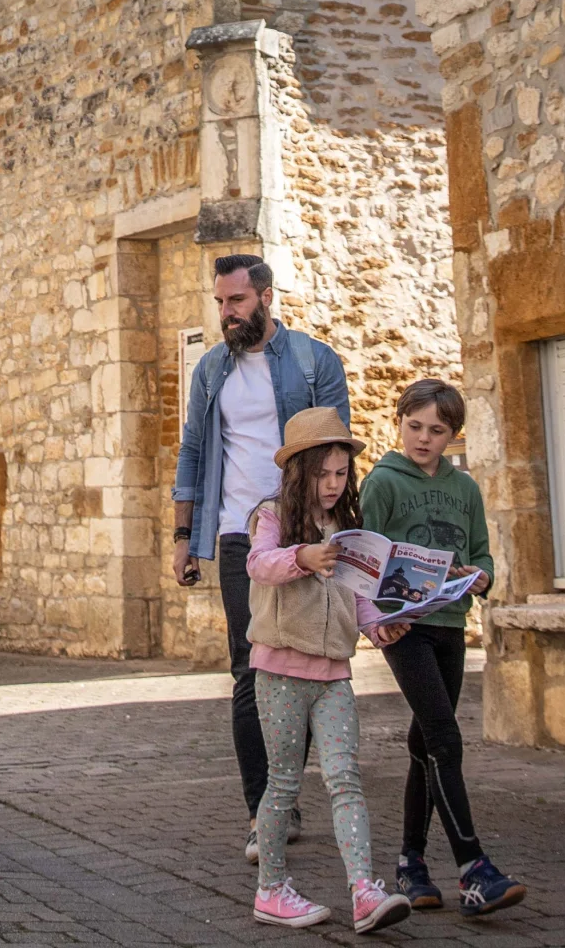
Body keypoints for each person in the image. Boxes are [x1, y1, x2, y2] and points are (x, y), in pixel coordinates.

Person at [171, 253, 351, 862]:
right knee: (249, 671)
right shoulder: (210, 370)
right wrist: (182, 537)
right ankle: (264, 809)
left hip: (298, 535)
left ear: (266, 298)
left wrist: (334, 535)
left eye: (236, 302)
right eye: (220, 302)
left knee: (297, 667)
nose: (225, 314)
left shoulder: (313, 360)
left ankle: (284, 795)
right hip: (235, 536)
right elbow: (193, 451)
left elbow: (335, 452)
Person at [243, 407, 414, 933]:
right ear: (300, 470)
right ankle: (271, 890)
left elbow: (356, 595)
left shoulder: (346, 526)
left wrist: (378, 627)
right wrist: (303, 557)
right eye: (323, 474)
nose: (334, 484)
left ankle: (364, 890)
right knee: (284, 784)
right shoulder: (271, 516)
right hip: (280, 672)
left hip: (335, 675)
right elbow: (258, 565)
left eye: (342, 474)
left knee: (345, 778)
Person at [361, 379, 528, 916]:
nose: (423, 439)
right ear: (399, 423)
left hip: (452, 622)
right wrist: (379, 614)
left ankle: (411, 865)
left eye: (437, 430)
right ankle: (473, 869)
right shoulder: (383, 483)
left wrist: (481, 577)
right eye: (415, 427)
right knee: (444, 737)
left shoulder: (466, 489)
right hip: (405, 627)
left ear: (453, 435)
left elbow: (484, 554)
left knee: (423, 746)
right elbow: (363, 557)